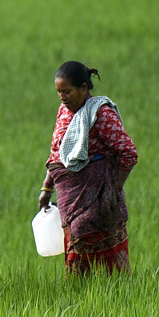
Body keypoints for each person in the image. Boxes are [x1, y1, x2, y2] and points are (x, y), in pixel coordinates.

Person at [38, 61, 137, 275]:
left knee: (108, 266)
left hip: (98, 199)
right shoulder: (63, 112)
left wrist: (114, 189)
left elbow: (128, 152)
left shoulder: (101, 114)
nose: (62, 97)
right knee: (76, 252)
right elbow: (57, 152)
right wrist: (46, 187)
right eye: (59, 92)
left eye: (67, 91)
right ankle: (80, 303)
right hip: (70, 200)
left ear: (84, 88)